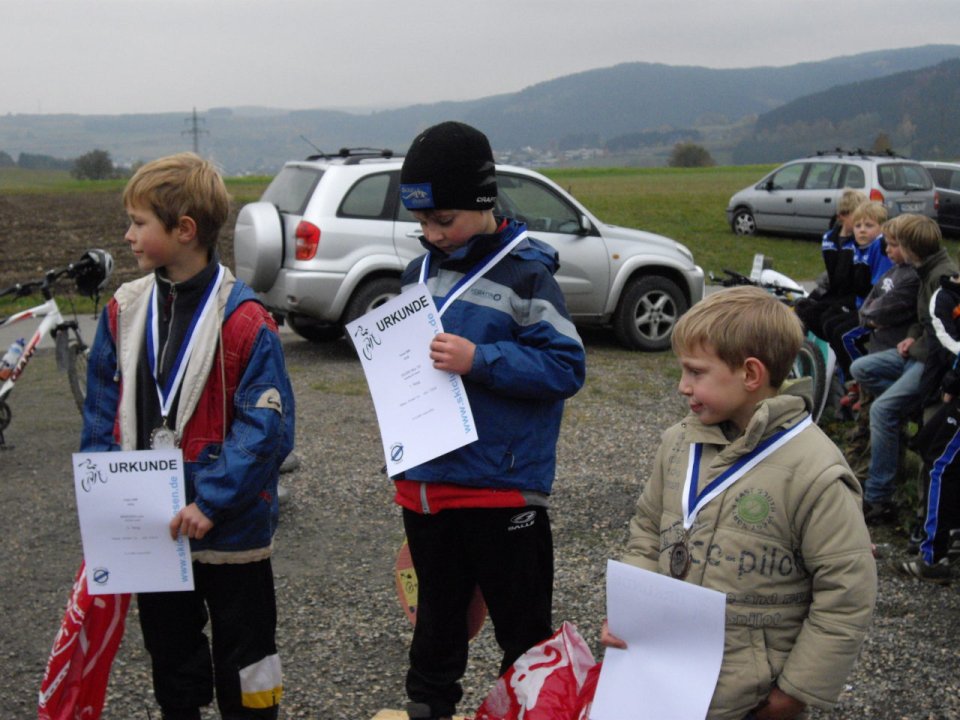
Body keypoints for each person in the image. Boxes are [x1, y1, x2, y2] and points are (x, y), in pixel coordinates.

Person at [80, 152, 295, 720]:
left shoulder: (246, 320)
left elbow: (267, 431)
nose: (127, 236)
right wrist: (105, 496)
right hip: (155, 530)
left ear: (184, 230)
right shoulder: (124, 311)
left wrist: (212, 501)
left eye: (138, 223)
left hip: (231, 532)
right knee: (171, 654)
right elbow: (102, 412)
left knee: (248, 659)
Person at [601, 286, 876, 720]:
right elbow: (648, 530)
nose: (682, 386)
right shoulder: (677, 443)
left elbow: (846, 593)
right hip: (660, 681)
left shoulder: (816, 472)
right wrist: (631, 618)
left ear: (750, 374)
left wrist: (794, 693)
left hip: (748, 700)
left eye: (695, 372)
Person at [392, 121, 586, 720]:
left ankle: (531, 709)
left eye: (443, 220)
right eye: (420, 222)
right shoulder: (416, 273)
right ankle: (428, 708)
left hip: (500, 491)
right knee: (436, 629)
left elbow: (566, 366)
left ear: (483, 202)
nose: (432, 234)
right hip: (426, 491)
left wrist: (480, 360)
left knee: (523, 635)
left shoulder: (528, 276)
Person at [849, 214, 957, 524]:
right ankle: (906, 407)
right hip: (917, 351)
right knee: (861, 368)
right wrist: (911, 337)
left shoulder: (941, 276)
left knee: (881, 410)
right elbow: (923, 321)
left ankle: (878, 498)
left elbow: (944, 338)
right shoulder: (925, 271)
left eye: (897, 243)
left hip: (930, 362)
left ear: (910, 248)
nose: (890, 248)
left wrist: (930, 380)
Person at [817, 201, 892, 382]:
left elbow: (880, 288)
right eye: (858, 226)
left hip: (875, 311)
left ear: (882, 228)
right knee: (829, 325)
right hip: (861, 306)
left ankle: (859, 379)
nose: (862, 230)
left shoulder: (879, 247)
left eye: (869, 225)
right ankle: (846, 374)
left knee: (844, 336)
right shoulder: (858, 247)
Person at [794, 189, 866, 341]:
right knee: (802, 308)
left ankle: (834, 345)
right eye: (857, 216)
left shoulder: (861, 241)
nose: (861, 223)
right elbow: (832, 272)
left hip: (852, 295)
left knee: (829, 318)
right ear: (842, 216)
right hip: (834, 290)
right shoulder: (829, 239)